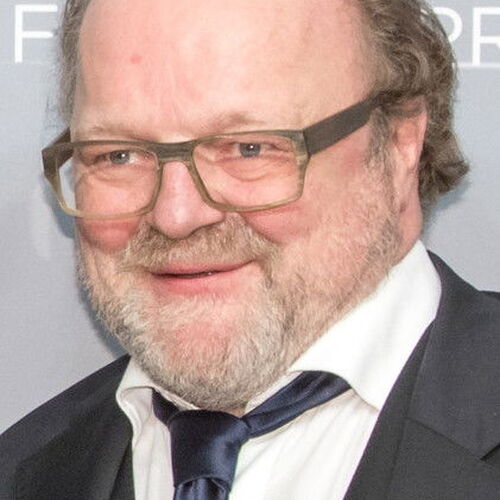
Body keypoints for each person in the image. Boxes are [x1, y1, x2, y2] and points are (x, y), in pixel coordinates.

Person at [2, 0, 500, 498]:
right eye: (119, 155)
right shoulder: (23, 473)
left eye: (249, 148)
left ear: (400, 142)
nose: (176, 216)